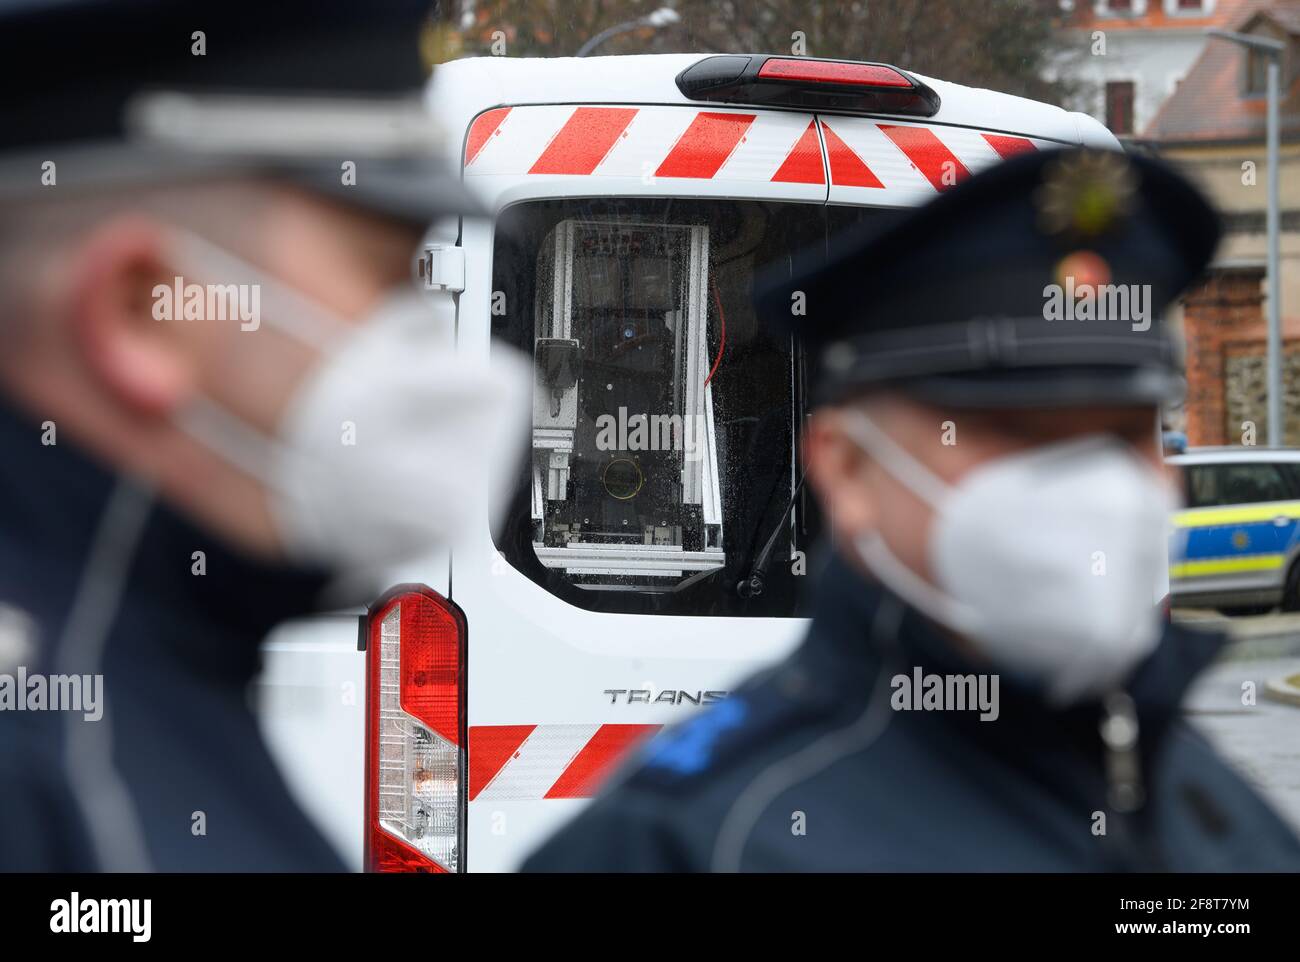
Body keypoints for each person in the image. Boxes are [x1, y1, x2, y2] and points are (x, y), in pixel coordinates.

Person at [523, 147, 1300, 872]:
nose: (1094, 489)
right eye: (1016, 433)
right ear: (848, 467)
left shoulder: (1206, 801)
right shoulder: (687, 841)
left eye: (1126, 436)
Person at [0, 0, 526, 870]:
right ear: (142, 311)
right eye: (392, 284)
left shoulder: (141, 668)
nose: (448, 358)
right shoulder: (55, 778)